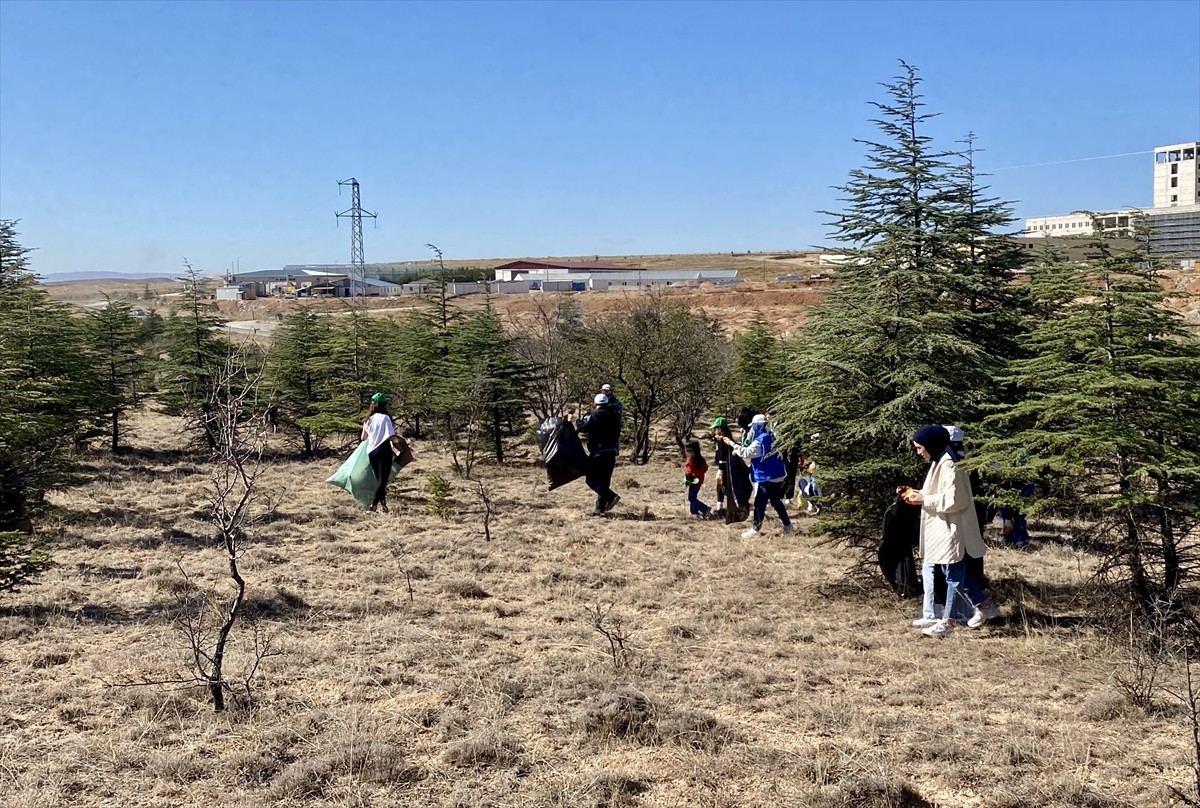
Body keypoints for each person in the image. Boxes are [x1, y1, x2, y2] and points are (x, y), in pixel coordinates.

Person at [900, 425, 1000, 638]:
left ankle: (947, 623)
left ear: (930, 445)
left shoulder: (949, 464)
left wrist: (925, 499)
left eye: (920, 448)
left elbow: (957, 499)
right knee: (951, 572)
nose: (919, 452)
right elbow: (938, 492)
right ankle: (984, 604)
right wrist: (917, 494)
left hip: (953, 528)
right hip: (945, 528)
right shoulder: (940, 460)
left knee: (953, 575)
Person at [722, 414, 793, 539]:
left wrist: (731, 444)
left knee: (759, 504)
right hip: (777, 475)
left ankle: (755, 528)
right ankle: (788, 525)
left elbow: (747, 452)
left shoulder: (760, 440)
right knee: (777, 502)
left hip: (766, 477)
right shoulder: (772, 437)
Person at [574, 393, 622, 516]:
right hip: (611, 452)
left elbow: (585, 429)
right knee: (604, 481)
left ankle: (611, 497)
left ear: (595, 403)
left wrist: (579, 423)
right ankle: (599, 510)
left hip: (599, 452)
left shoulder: (595, 415)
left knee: (591, 479)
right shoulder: (614, 415)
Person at [361, 392, 397, 514]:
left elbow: (363, 438)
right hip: (383, 450)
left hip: (371, 451)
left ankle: (384, 506)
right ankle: (373, 505)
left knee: (379, 480)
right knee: (383, 480)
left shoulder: (368, 420)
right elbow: (390, 436)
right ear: (384, 405)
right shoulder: (385, 418)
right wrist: (400, 442)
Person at [711, 417, 734, 517]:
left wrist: (720, 470)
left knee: (723, 488)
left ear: (720, 429)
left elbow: (723, 457)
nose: (715, 430)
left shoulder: (723, 441)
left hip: (724, 469)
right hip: (725, 468)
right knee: (720, 488)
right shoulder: (724, 440)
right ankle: (720, 508)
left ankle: (725, 510)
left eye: (716, 428)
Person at [683, 440, 711, 518]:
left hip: (693, 481)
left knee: (691, 498)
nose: (688, 453)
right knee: (693, 497)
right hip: (699, 480)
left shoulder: (690, 460)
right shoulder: (700, 459)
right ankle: (694, 513)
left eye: (690, 451)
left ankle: (705, 509)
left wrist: (687, 481)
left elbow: (689, 471)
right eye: (687, 451)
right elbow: (705, 468)